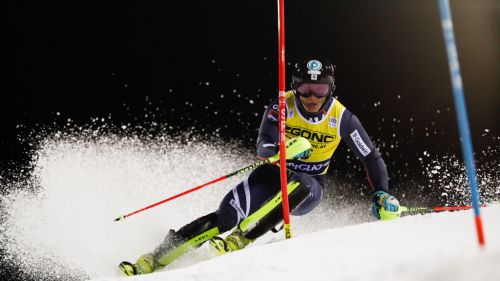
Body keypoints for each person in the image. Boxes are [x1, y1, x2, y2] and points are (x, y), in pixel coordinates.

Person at [119, 57, 401, 276]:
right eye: (305, 88)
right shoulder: (282, 106)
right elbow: (263, 145)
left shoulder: (342, 118)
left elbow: (370, 157)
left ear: (330, 90)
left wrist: (382, 193)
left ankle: (243, 238)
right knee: (226, 215)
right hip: (271, 174)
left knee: (302, 182)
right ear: (295, 86)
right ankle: (154, 259)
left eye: (320, 89)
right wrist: (280, 150)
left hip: (310, 186)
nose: (312, 96)